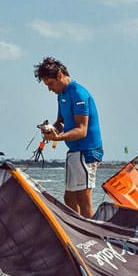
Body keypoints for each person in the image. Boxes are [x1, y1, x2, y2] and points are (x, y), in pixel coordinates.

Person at [34, 56, 103, 218]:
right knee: (69, 198)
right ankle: (77, 233)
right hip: (73, 152)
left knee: (84, 200)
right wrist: (51, 129)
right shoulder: (61, 95)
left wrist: (57, 138)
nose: (49, 89)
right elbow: (61, 122)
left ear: (59, 76)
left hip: (87, 152)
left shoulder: (78, 93)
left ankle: (92, 237)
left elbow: (82, 130)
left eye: (50, 84)